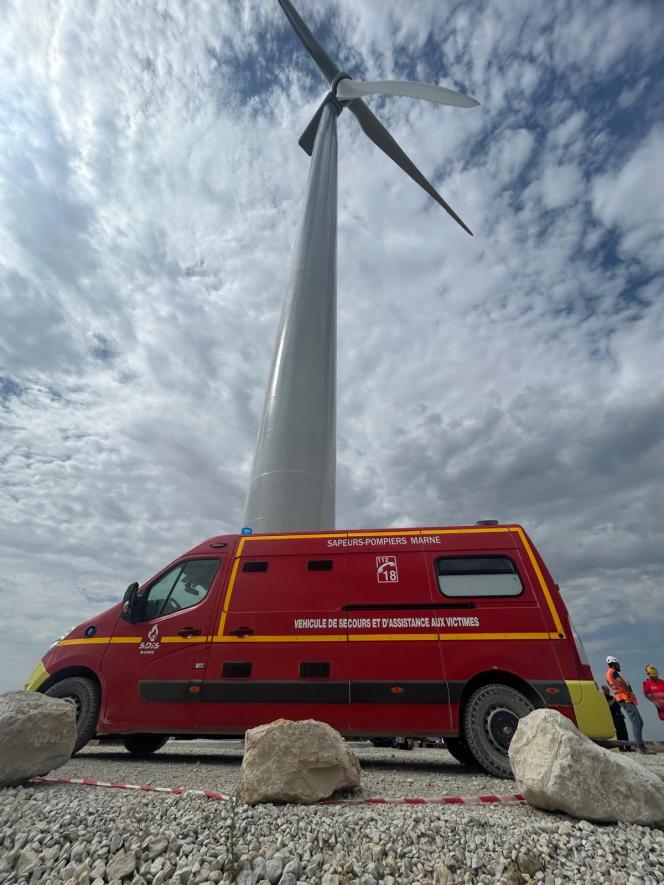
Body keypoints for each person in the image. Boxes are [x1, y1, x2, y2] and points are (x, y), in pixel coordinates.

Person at [605, 655, 651, 754]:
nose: (619, 665)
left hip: (624, 699)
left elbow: (612, 685)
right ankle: (641, 747)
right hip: (625, 699)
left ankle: (640, 745)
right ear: (613, 664)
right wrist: (627, 688)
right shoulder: (614, 672)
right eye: (617, 664)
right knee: (636, 723)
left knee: (640, 722)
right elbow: (620, 682)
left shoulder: (608, 674)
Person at [601, 684, 631, 750]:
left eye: (608, 690)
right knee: (619, 732)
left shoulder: (611, 697)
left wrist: (622, 714)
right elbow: (608, 705)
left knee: (624, 732)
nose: (608, 691)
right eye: (607, 690)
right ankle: (621, 747)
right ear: (603, 690)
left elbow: (618, 706)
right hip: (614, 716)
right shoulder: (603, 697)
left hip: (620, 715)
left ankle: (628, 747)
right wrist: (615, 699)